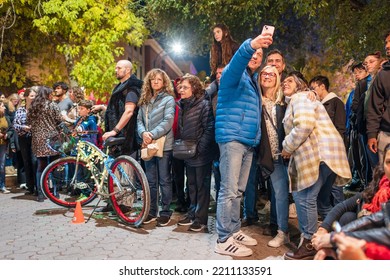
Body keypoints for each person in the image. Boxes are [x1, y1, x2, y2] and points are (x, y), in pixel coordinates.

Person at [214, 31, 273, 257]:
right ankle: (222, 239)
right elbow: (238, 59)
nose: (256, 56)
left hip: (247, 142)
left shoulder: (251, 80)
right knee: (228, 191)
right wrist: (251, 44)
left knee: (237, 191)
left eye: (259, 54)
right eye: (253, 52)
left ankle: (233, 230)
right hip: (232, 139)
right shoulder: (233, 73)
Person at [281, 72, 351, 260]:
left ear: (300, 85)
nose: (284, 83)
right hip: (328, 156)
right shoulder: (303, 98)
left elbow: (304, 125)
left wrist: (286, 146)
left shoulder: (300, 97)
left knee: (305, 198)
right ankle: (337, 241)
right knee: (323, 202)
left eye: (289, 81)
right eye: (283, 82)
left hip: (318, 155)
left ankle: (310, 243)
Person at [312, 142, 390, 247]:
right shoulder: (381, 183)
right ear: (383, 164)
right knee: (347, 217)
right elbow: (345, 205)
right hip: (359, 235)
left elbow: (381, 231)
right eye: (389, 162)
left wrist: (332, 239)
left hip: (374, 246)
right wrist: (323, 230)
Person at [175, 74, 217, 232]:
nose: (181, 90)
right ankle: (192, 213)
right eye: (180, 87)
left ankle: (201, 219)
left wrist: (200, 148)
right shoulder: (183, 105)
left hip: (201, 153)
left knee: (202, 187)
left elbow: (209, 128)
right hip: (188, 152)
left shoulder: (204, 104)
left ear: (194, 88)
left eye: (185, 87)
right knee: (191, 185)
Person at [137, 68, 175, 227]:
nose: (156, 82)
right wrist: (143, 133)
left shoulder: (168, 99)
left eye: (159, 79)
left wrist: (151, 134)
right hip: (148, 144)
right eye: (153, 80)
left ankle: (165, 212)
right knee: (151, 181)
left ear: (164, 81)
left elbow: (168, 121)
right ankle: (152, 211)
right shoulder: (144, 100)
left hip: (163, 145)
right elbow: (139, 121)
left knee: (165, 180)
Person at [256, 65, 289, 247]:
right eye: (264, 73)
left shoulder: (283, 100)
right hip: (265, 155)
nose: (267, 76)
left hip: (284, 155)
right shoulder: (255, 100)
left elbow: (302, 95)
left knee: (281, 194)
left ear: (277, 78)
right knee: (275, 194)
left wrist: (311, 94)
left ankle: (282, 232)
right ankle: (278, 227)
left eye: (272, 74)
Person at [309, 75, 347, 205]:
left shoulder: (336, 102)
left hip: (334, 150)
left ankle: (340, 216)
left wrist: (338, 150)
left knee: (336, 186)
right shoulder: (317, 104)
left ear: (322, 86)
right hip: (322, 150)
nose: (312, 91)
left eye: (314, 88)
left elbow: (340, 128)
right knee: (326, 185)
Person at [27, 86, 63, 202]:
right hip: (52, 139)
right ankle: (55, 192)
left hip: (38, 139)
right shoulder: (52, 105)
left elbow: (28, 121)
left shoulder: (33, 107)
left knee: (40, 167)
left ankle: (40, 193)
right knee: (55, 165)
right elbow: (59, 119)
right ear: (48, 94)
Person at [102, 60, 143, 157]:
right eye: (116, 68)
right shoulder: (121, 87)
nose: (115, 70)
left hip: (127, 139)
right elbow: (115, 110)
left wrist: (114, 131)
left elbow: (129, 111)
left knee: (125, 170)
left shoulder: (131, 87)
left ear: (128, 70)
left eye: (119, 68)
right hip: (121, 139)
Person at [367, 31, 390, 163]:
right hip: (386, 134)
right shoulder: (382, 75)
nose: (387, 45)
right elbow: (374, 107)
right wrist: (372, 134)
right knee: (386, 179)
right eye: (386, 42)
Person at [13, 87, 38, 195]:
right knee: (26, 162)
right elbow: (15, 124)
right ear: (26, 97)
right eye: (32, 96)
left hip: (35, 137)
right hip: (23, 137)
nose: (33, 98)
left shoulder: (37, 109)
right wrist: (23, 127)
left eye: (35, 96)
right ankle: (30, 187)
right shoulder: (20, 110)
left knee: (34, 161)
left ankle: (38, 187)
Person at [0, 101, 15, 194]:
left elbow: (11, 129)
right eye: (2, 106)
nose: (4, 108)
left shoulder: (5, 117)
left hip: (3, 144)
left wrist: (7, 135)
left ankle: (2, 185)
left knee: (1, 166)